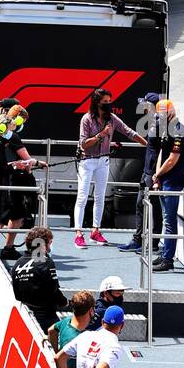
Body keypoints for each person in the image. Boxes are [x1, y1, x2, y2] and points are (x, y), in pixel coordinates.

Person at [74, 88, 146, 249]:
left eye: (109, 101)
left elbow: (129, 132)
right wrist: (101, 135)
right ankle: (78, 233)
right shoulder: (86, 119)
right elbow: (83, 143)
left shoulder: (112, 118)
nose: (108, 104)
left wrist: (148, 145)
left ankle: (95, 230)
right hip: (87, 160)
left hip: (103, 160)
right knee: (82, 196)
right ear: (97, 102)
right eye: (105, 102)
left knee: (100, 196)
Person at [0, 104, 47, 260]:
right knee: (14, 215)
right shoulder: (2, 142)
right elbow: (14, 162)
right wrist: (21, 165)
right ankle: (3, 248)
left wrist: (14, 165)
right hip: (7, 184)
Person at [120, 92, 163, 255]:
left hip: (152, 174)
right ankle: (139, 240)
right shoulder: (153, 122)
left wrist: (156, 174)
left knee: (153, 208)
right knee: (141, 205)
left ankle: (153, 243)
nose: (142, 107)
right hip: (147, 172)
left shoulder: (160, 125)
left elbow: (161, 152)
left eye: (144, 104)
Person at [151, 99, 184, 272]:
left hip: (173, 182)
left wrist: (158, 174)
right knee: (167, 219)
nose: (160, 118)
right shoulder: (166, 129)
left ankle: (168, 259)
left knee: (169, 220)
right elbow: (162, 153)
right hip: (164, 180)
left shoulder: (179, 131)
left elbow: (173, 159)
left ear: (170, 113)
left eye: (162, 114)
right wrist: (157, 176)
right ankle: (165, 253)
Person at [11, 226, 67, 333]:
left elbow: (17, 292)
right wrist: (64, 302)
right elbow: (53, 289)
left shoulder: (17, 263)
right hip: (46, 317)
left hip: (24, 315)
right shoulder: (46, 262)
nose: (50, 247)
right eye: (49, 243)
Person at [49, 290, 95, 368]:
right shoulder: (76, 340)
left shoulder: (67, 321)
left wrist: (56, 350)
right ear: (91, 310)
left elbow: (51, 331)